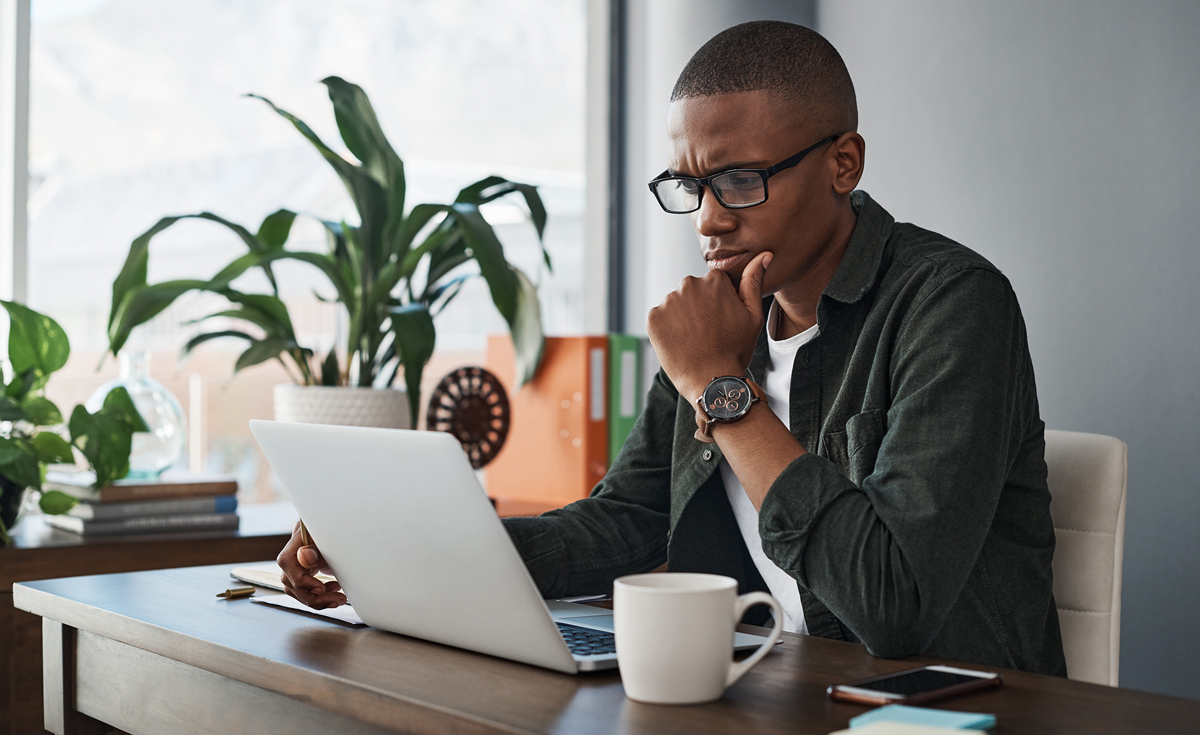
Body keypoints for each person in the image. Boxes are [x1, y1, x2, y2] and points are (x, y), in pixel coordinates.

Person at [278, 20, 1067, 676]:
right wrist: (399, 548)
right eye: (691, 185)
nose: (708, 221)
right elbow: (621, 522)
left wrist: (722, 390)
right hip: (777, 686)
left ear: (842, 163)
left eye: (740, 180)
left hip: (944, 708)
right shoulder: (721, 324)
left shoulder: (952, 303)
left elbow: (895, 605)